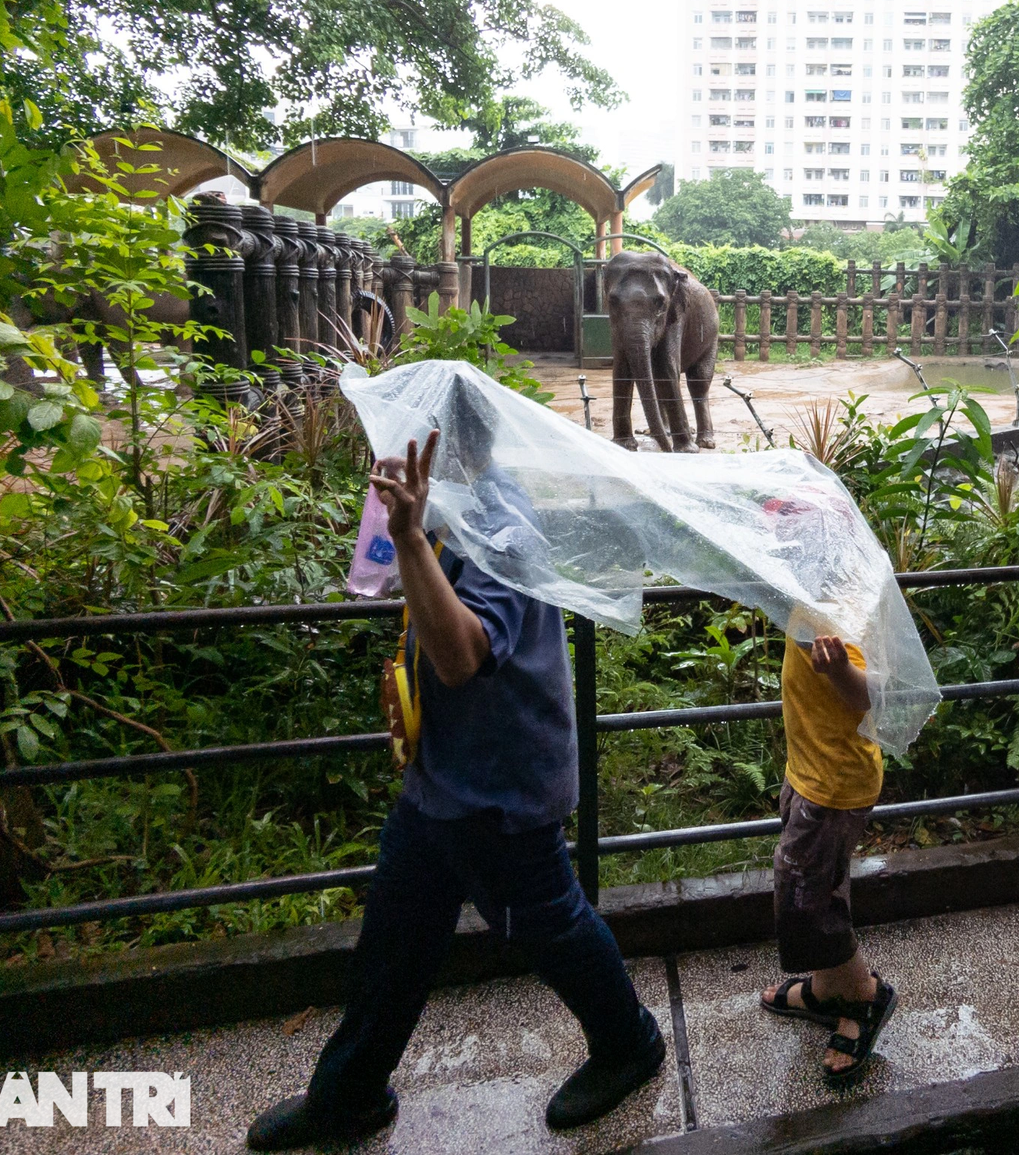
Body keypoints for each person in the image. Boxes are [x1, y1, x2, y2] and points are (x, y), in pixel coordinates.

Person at [247, 418, 664, 1150]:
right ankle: (348, 1094)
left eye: (408, 431)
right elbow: (391, 582)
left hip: (500, 785)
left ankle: (629, 1042)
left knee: (552, 924)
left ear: (447, 443)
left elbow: (464, 657)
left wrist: (410, 539)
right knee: (395, 937)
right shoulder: (445, 505)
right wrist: (402, 532)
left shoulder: (503, 526)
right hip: (442, 775)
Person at [754, 503, 898, 1081]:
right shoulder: (803, 593)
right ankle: (823, 987)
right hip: (807, 772)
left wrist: (838, 669)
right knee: (815, 885)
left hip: (834, 784)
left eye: (787, 542)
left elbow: (868, 695)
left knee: (804, 899)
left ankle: (862, 995)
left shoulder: (839, 608)